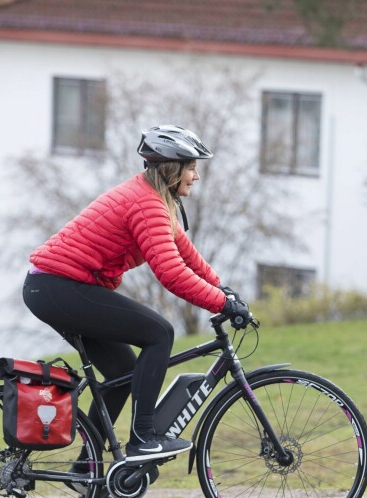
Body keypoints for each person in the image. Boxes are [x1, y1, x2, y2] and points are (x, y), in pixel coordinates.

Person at [23, 125, 250, 465]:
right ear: (172, 170)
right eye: (192, 167)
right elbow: (171, 273)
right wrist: (221, 304)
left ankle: (89, 468)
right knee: (160, 333)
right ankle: (143, 438)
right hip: (58, 287)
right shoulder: (147, 205)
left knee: (121, 375)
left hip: (55, 287)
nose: (197, 176)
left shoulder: (154, 198)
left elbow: (183, 250)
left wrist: (220, 288)